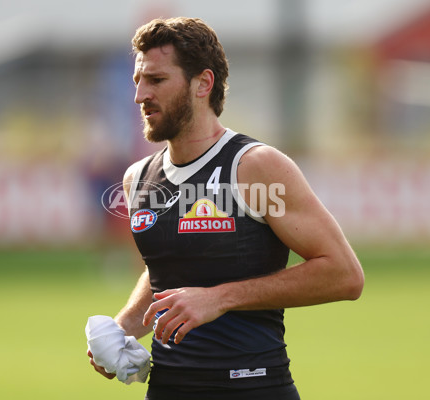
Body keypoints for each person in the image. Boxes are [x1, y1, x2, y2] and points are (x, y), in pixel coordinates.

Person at [87, 17, 364, 400]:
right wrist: (123, 328)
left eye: (156, 80)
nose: (140, 95)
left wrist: (219, 297)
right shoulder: (139, 178)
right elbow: (168, 270)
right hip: (166, 389)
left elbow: (344, 275)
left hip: (251, 387)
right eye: (138, 80)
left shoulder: (255, 166)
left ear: (203, 83)